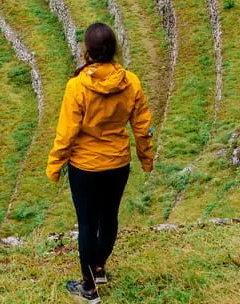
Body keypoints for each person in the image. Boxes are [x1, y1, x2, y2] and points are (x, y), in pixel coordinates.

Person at [46, 23, 154, 303]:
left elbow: (67, 131)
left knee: (87, 224)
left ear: (87, 51)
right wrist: (146, 157)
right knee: (109, 218)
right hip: (117, 164)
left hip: (85, 167)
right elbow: (142, 126)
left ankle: (89, 289)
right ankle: (99, 267)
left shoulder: (78, 86)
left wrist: (54, 165)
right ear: (115, 48)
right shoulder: (130, 82)